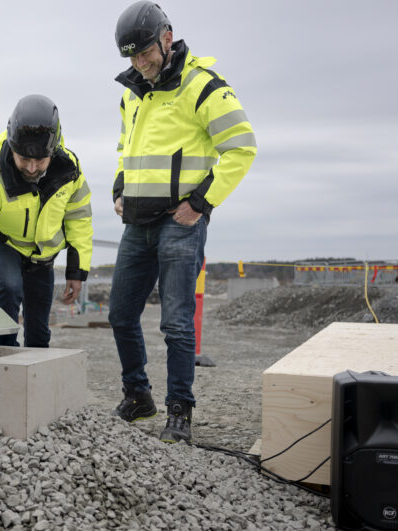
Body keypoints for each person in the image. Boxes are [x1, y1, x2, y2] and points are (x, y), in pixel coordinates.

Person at [108, 2, 257, 442]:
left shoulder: (204, 86)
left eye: (145, 52)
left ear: (167, 38)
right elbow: (126, 148)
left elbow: (242, 147)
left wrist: (201, 203)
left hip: (180, 221)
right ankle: (139, 396)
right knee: (119, 314)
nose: (140, 62)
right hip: (137, 223)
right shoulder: (132, 93)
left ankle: (180, 411)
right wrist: (120, 186)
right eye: (131, 56)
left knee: (176, 322)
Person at [0, 94, 93, 347]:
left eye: (40, 160)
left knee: (39, 331)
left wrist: (77, 271)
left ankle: (37, 372)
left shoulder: (70, 171)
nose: (31, 168)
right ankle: (5, 353)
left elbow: (79, 219)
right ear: (12, 146)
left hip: (43, 257)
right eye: (24, 160)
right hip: (6, 246)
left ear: (52, 151)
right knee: (9, 286)